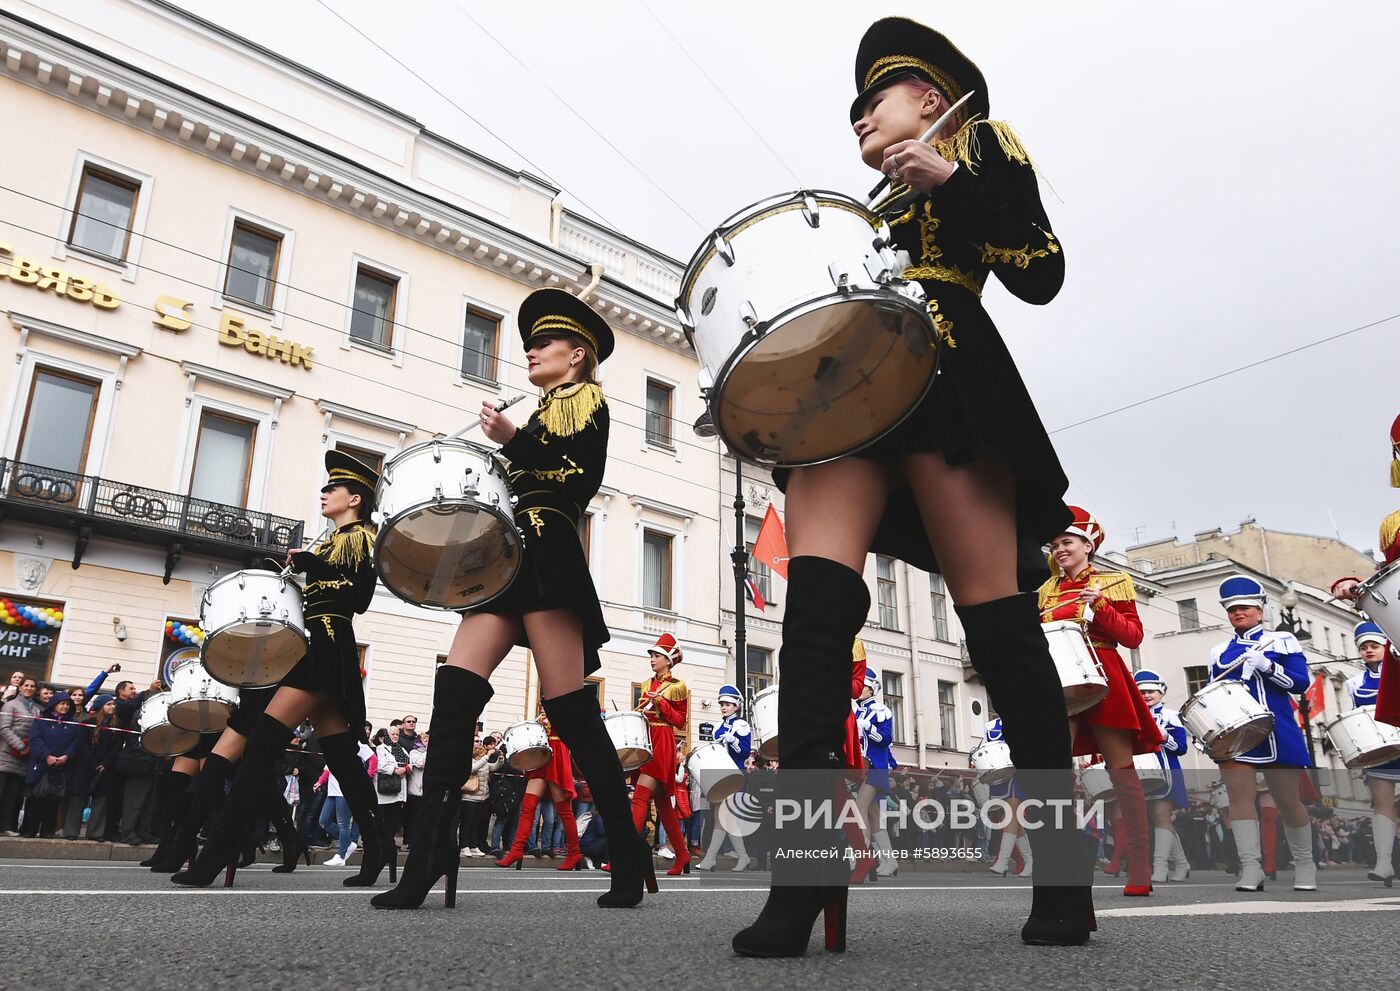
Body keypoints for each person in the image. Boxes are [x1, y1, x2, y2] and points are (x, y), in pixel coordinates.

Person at [732, 16, 1090, 956]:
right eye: (850, 112)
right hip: (845, 388)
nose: (857, 121)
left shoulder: (981, 145)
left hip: (947, 372)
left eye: (872, 102)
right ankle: (803, 868)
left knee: (998, 628)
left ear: (930, 99)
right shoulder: (862, 209)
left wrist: (956, 186)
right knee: (812, 619)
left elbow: (1042, 271)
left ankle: (1062, 875)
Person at [373, 287, 653, 911]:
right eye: (528, 345)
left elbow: (577, 482)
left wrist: (514, 439)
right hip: (500, 559)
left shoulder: (590, 405)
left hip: (550, 553)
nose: (530, 352)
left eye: (543, 344)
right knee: (453, 696)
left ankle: (628, 854)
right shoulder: (538, 414)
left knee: (572, 713)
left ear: (576, 355)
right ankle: (428, 853)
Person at [171, 450, 387, 887]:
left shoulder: (362, 537)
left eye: (333, 488)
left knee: (265, 741)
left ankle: (219, 850)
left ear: (355, 500)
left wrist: (315, 566)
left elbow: (358, 597)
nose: (324, 493)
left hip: (329, 641)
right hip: (319, 644)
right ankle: (380, 846)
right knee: (342, 758)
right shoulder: (330, 542)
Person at [1039, 507, 1163, 897]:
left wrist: (1100, 608)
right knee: (1054, 769)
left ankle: (1140, 865)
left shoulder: (1114, 582)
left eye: (1067, 541)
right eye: (1055, 543)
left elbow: (1133, 637)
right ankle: (1059, 859)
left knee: (1122, 774)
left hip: (1104, 676)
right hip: (1062, 679)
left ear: (1087, 545)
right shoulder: (1046, 591)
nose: (1060, 549)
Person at [1208, 576, 1316, 892]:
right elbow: (1217, 693)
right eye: (1231, 610)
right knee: (1240, 799)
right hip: (1237, 734)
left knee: (1288, 800)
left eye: (1243, 607)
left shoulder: (1282, 641)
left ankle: (1305, 865)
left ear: (1259, 610)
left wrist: (1267, 666)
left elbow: (1300, 684)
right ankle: (1251, 869)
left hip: (1278, 728)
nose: (1237, 613)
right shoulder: (1218, 652)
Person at [629, 633, 691, 878]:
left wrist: (662, 705)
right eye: (652, 656)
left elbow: (679, 721)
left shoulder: (677, 686)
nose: (652, 659)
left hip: (663, 741)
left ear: (668, 660)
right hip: (646, 739)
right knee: (664, 805)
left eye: (656, 655)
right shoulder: (645, 684)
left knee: (640, 796)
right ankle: (683, 854)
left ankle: (625, 854)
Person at [1343, 622, 1400, 886]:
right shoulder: (1353, 683)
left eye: (1374, 646)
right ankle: (1384, 862)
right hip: (1378, 750)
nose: (1368, 651)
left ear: (1385, 646)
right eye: (1363, 647)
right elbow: (1356, 718)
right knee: (1382, 802)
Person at [495, 709, 581, 871]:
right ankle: (516, 850)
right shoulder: (545, 712)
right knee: (527, 808)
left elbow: (573, 728)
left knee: (564, 810)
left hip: (557, 753)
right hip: (541, 753)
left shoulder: (565, 705)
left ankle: (574, 853)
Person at [1133, 670, 1191, 883]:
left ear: (1161, 692)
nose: (1147, 695)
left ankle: (1160, 867)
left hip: (1167, 771)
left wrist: (1164, 736)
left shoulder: (1171, 715)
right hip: (1143, 774)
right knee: (1160, 819)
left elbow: (1181, 748)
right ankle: (1182, 864)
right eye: (1142, 692)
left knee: (1161, 816)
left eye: (1151, 691)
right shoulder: (1134, 715)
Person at [696, 684, 752, 872]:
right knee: (723, 818)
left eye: (728, 704)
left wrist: (733, 740)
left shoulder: (741, 725)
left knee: (723, 817)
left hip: (734, 774)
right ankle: (742, 858)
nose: (723, 707)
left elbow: (744, 754)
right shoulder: (718, 726)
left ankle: (711, 858)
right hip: (721, 774)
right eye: (722, 704)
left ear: (736, 706)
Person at [854, 667, 900, 879]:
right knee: (873, 814)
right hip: (861, 766)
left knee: (859, 808)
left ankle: (859, 858)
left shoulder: (881, 710)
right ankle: (889, 861)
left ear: (871, 689)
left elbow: (886, 738)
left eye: (862, 685)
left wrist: (868, 728)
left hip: (874, 765)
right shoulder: (855, 712)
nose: (857, 689)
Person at [22, 695, 82, 836]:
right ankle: (29, 830)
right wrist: (47, 755)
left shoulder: (73, 724)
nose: (65, 707)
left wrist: (66, 755)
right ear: (54, 704)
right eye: (62, 703)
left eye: (68, 704)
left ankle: (47, 831)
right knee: (35, 800)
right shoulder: (41, 721)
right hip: (41, 765)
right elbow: (35, 740)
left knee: (53, 802)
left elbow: (75, 743)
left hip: (61, 767)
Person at [982, 716, 1030, 878]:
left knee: (1010, 815)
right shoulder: (990, 725)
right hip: (1000, 772)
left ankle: (1002, 862)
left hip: (1017, 772)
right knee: (1013, 819)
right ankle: (1029, 860)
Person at [0, 676, 40, 834]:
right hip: (5, 756)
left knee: (12, 797)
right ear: (21, 687)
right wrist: (20, 746)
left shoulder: (37, 709)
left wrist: (30, 748)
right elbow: (4, 728)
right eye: (26, 685)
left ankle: (5, 827)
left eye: (32, 686)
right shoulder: (11, 705)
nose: (29, 688)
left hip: (24, 760)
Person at [458, 739, 496, 856]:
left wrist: (500, 759)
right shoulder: (470, 760)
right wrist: (487, 756)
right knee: (467, 822)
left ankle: (473, 846)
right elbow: (473, 769)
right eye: (479, 750)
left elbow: (493, 767)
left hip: (481, 797)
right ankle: (464, 846)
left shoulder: (484, 762)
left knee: (476, 823)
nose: (481, 752)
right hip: (468, 797)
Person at [374, 726, 409, 848]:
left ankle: (388, 844)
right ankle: (380, 844)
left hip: (397, 792)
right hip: (384, 793)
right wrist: (394, 769)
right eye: (392, 734)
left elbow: (410, 763)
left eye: (397, 734)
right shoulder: (381, 748)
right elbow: (379, 765)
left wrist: (405, 768)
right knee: (381, 821)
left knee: (393, 822)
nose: (395, 736)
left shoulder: (401, 749)